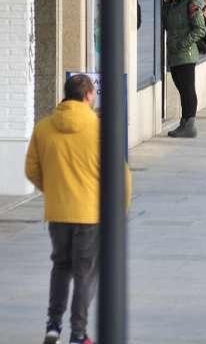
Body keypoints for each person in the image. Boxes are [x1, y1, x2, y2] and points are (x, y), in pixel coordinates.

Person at [25, 74, 132, 344]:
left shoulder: (44, 127)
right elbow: (121, 177)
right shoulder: (100, 130)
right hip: (90, 214)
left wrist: (55, 191)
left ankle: (53, 326)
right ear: (87, 96)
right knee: (85, 273)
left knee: (60, 267)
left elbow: (32, 169)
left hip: (58, 213)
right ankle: (78, 333)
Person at [163, 0, 206, 138]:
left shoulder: (190, 3)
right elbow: (167, 24)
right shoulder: (173, 5)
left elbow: (199, 29)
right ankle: (184, 122)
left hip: (186, 54)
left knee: (187, 89)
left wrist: (183, 44)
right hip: (175, 54)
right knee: (182, 89)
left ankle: (190, 125)